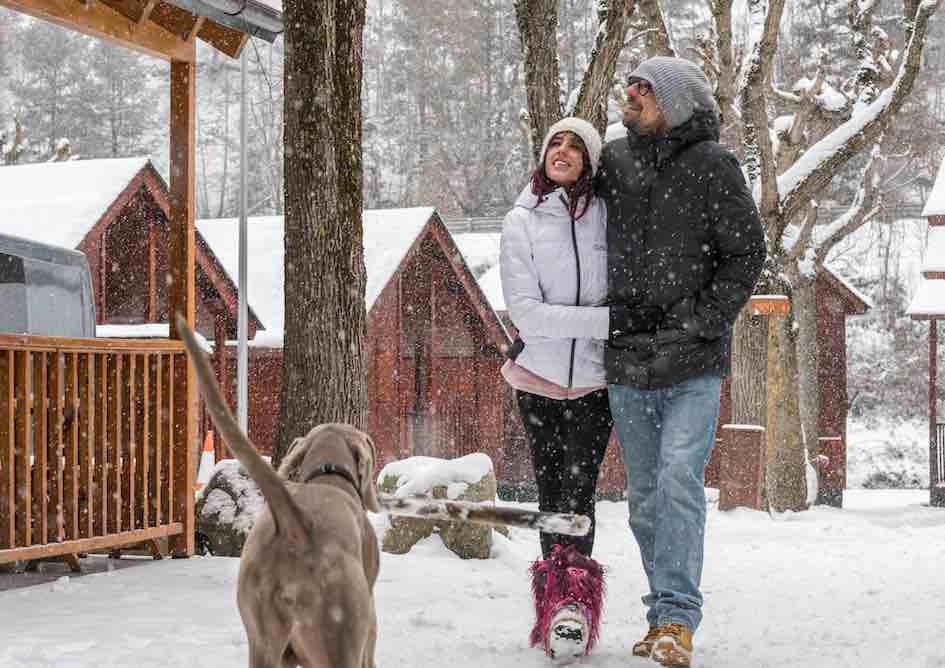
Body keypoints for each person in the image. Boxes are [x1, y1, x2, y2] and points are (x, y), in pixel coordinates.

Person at [597, 57, 766, 668]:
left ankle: (676, 616)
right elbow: (559, 196)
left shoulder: (714, 166)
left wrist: (702, 320)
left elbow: (747, 252)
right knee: (643, 496)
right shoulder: (612, 161)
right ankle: (661, 613)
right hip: (627, 360)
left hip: (693, 361)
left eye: (644, 89)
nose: (631, 96)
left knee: (677, 481)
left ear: (677, 102)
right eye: (630, 87)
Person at [499, 117, 611, 662]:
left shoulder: (608, 218)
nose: (562, 150)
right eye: (554, 143)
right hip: (538, 380)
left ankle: (579, 604)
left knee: (581, 490)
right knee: (550, 489)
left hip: (594, 383)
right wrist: (607, 322)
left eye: (575, 146)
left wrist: (583, 324)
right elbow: (526, 314)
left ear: (589, 162)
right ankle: (553, 603)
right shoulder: (520, 222)